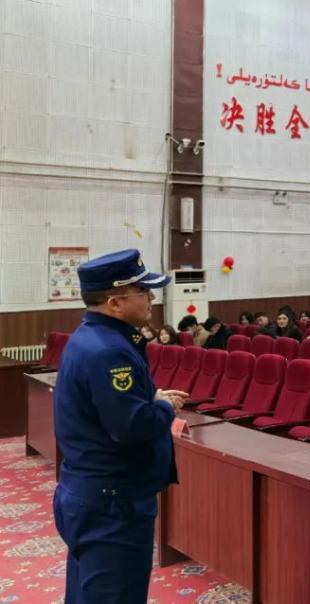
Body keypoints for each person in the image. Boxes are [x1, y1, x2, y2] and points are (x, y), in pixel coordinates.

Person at [53, 249, 184, 603]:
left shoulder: (91, 338)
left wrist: (149, 398)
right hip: (113, 504)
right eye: (143, 291)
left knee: (88, 594)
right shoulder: (110, 351)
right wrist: (163, 407)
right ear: (114, 303)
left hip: (90, 491)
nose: (151, 298)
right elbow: (132, 427)